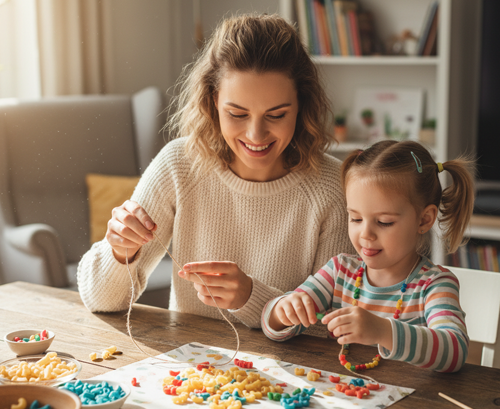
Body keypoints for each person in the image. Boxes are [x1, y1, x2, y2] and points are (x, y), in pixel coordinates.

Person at [77, 14, 353, 329]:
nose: (256, 135)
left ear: (301, 105)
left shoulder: (333, 189)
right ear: (213, 102)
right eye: (237, 113)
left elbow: (331, 328)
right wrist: (120, 252)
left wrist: (252, 297)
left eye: (276, 115)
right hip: (190, 372)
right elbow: (100, 300)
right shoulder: (179, 164)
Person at [262, 140, 475, 372]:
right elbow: (271, 325)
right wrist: (282, 310)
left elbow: (454, 351)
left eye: (384, 222)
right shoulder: (339, 271)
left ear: (424, 220)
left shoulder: (434, 285)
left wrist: (382, 330)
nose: (365, 234)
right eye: (355, 218)